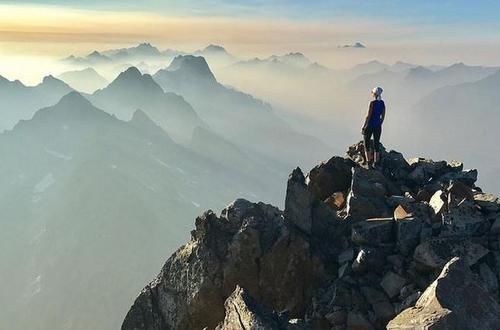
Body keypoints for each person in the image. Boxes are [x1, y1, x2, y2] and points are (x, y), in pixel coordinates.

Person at [362, 87, 385, 169]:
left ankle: (368, 163)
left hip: (370, 125)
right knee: (376, 144)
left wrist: (364, 126)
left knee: (366, 143)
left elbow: (369, 115)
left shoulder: (372, 103)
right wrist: (380, 123)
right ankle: (376, 162)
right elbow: (383, 115)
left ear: (374, 94)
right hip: (378, 126)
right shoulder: (382, 103)